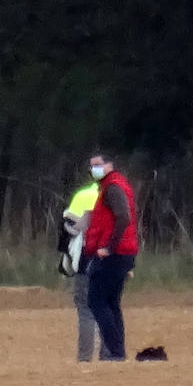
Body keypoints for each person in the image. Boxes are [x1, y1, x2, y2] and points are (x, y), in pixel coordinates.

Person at [83, 152, 139, 361]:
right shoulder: (116, 185)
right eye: (92, 166)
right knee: (112, 302)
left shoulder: (112, 188)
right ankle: (117, 351)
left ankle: (115, 351)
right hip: (124, 252)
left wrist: (109, 247)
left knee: (96, 301)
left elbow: (123, 217)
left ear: (109, 165)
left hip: (114, 254)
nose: (94, 169)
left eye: (98, 165)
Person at [56, 178, 109, 361]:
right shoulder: (119, 197)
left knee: (86, 311)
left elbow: (70, 230)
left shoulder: (83, 196)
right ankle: (110, 356)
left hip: (87, 262)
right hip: (112, 263)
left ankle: (85, 358)